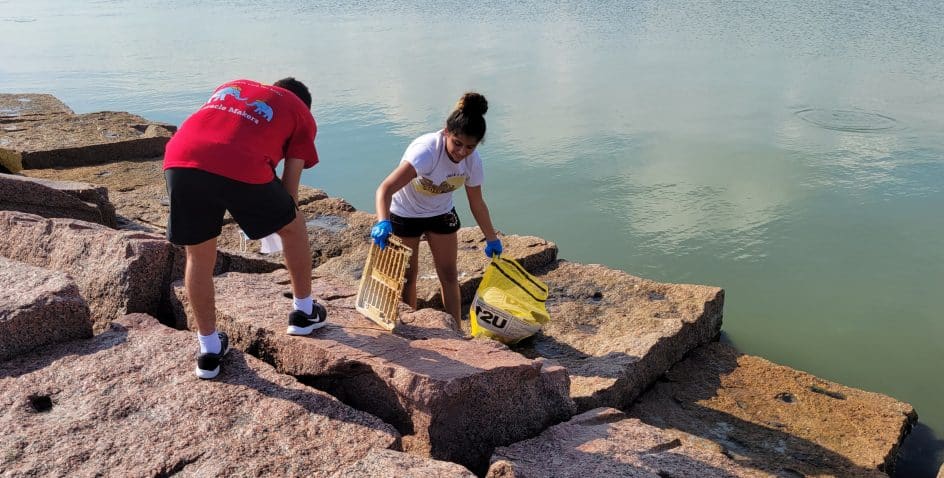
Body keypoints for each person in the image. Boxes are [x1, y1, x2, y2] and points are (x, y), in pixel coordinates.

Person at [163, 77, 327, 380]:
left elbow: (217, 134)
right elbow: (290, 192)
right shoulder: (301, 113)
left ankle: (209, 350)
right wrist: (276, 224)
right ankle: (304, 313)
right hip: (238, 162)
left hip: (180, 159)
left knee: (197, 256)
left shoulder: (234, 85)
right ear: (305, 103)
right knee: (295, 226)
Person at [372, 92, 502, 329]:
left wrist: (491, 238)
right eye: (457, 143)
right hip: (405, 213)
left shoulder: (473, 161)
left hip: (440, 213)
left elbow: (477, 202)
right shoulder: (426, 152)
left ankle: (455, 331)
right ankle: (409, 326)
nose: (462, 152)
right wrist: (383, 221)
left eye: (470, 147)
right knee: (408, 277)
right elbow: (385, 189)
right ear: (446, 133)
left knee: (450, 275)